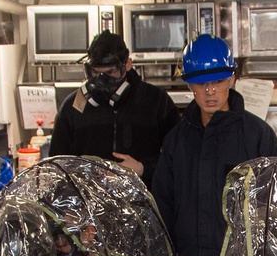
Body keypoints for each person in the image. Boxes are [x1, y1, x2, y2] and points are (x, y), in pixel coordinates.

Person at [152, 35, 277, 256]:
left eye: (218, 81)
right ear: (189, 85)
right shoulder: (176, 140)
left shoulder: (258, 135)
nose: (210, 91)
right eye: (201, 83)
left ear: (231, 79)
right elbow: (163, 203)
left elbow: (276, 206)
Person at [49, 30, 180, 187]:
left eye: (111, 72)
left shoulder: (157, 101)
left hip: (143, 202)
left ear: (128, 65)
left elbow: (179, 158)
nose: (102, 80)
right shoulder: (72, 108)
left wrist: (142, 168)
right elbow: (55, 166)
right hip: (88, 206)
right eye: (96, 73)